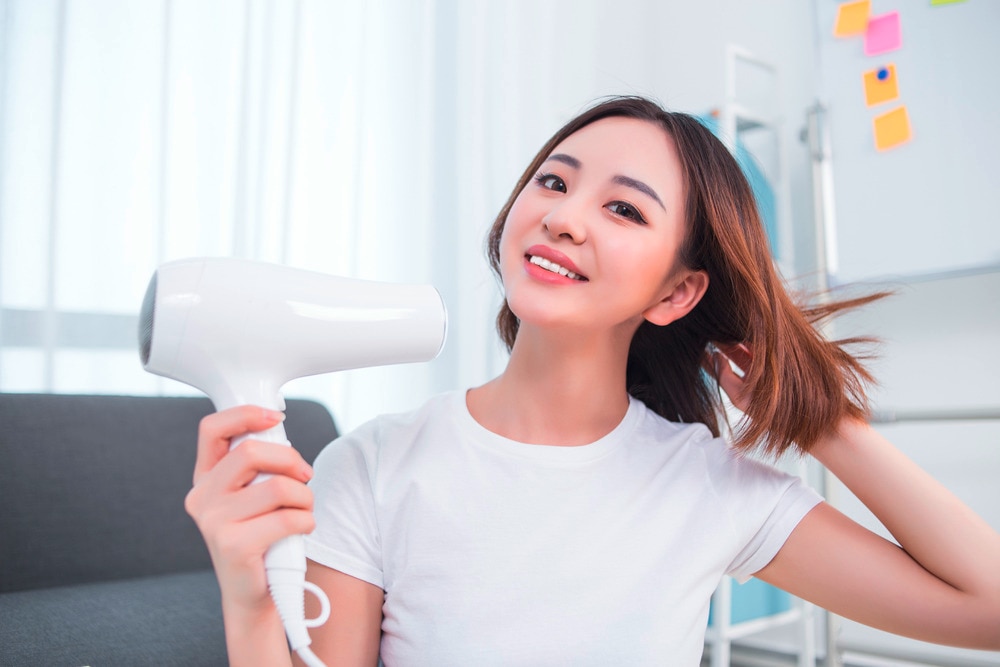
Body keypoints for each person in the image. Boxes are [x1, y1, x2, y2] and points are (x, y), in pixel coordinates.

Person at [185, 96, 1000, 666]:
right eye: (554, 180)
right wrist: (249, 597)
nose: (565, 216)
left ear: (677, 294)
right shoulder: (373, 464)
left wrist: (821, 422)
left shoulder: (704, 486)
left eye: (626, 210)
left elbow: (987, 608)